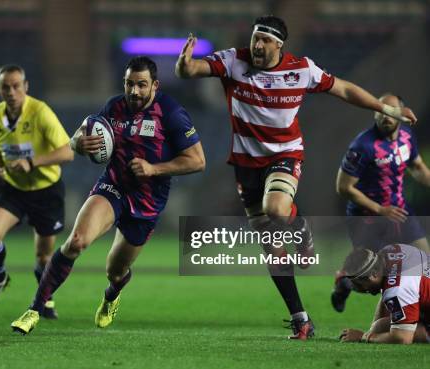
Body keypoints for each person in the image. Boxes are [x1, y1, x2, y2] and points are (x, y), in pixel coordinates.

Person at [175, 15, 417, 339]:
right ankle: (301, 317)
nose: (257, 45)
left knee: (276, 209)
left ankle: (301, 228)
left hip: (284, 156)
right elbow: (191, 71)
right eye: (254, 38)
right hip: (246, 166)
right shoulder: (233, 61)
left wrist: (385, 109)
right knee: (271, 247)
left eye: (264, 40)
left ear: (278, 44)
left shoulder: (301, 69)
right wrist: (184, 64)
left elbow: (343, 88)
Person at [10, 56, 205, 335]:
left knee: (115, 271)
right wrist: (80, 144)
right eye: (129, 84)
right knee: (76, 241)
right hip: (113, 187)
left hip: (147, 202)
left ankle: (111, 296)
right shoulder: (114, 106)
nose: (134, 91)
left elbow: (197, 161)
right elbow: (78, 137)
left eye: (141, 85)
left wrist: (154, 168)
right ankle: (34, 309)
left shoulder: (171, 113)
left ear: (155, 85)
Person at [0, 64, 74, 318]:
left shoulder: (40, 112)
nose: (11, 91)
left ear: (25, 87)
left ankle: (47, 298)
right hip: (14, 189)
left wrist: (32, 163)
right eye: (5, 87)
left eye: (16, 86)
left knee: (43, 257)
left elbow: (67, 152)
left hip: (46, 190)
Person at [332, 93, 430, 312]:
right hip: (367, 216)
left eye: (392, 110)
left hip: (399, 210)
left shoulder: (406, 136)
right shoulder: (362, 146)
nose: (386, 115)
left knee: (425, 261)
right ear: (375, 112)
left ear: (401, 113)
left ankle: (418, 315)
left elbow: (418, 168)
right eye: (381, 110)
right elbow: (343, 187)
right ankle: (343, 283)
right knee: (365, 273)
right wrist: (379, 209)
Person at [338, 244, 429, 344]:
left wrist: (363, 337)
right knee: (380, 326)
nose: (359, 289)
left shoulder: (397, 289)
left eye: (358, 284)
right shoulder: (391, 250)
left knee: (418, 333)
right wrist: (372, 331)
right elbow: (388, 291)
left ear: (373, 274)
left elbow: (403, 338)